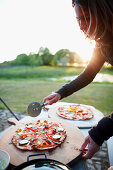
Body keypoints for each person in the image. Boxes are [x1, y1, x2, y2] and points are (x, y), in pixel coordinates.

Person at [43, 0, 113, 159]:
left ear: (103, 11)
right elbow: (89, 73)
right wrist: (60, 93)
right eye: (78, 19)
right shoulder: (101, 41)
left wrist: (100, 131)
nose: (81, 26)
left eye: (87, 17)